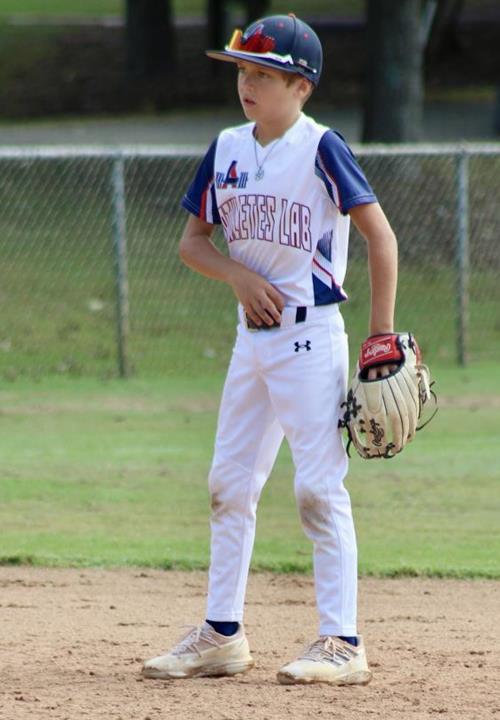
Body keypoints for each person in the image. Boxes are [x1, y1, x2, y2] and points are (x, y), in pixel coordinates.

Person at [143, 13, 398, 685]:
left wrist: (379, 336)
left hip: (311, 338)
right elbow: (193, 242)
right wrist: (237, 275)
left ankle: (342, 641)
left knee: (317, 487)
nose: (247, 84)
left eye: (264, 74)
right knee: (228, 485)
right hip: (250, 342)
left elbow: (381, 237)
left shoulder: (321, 147)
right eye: (242, 71)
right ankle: (221, 634)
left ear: (301, 87)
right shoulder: (227, 147)